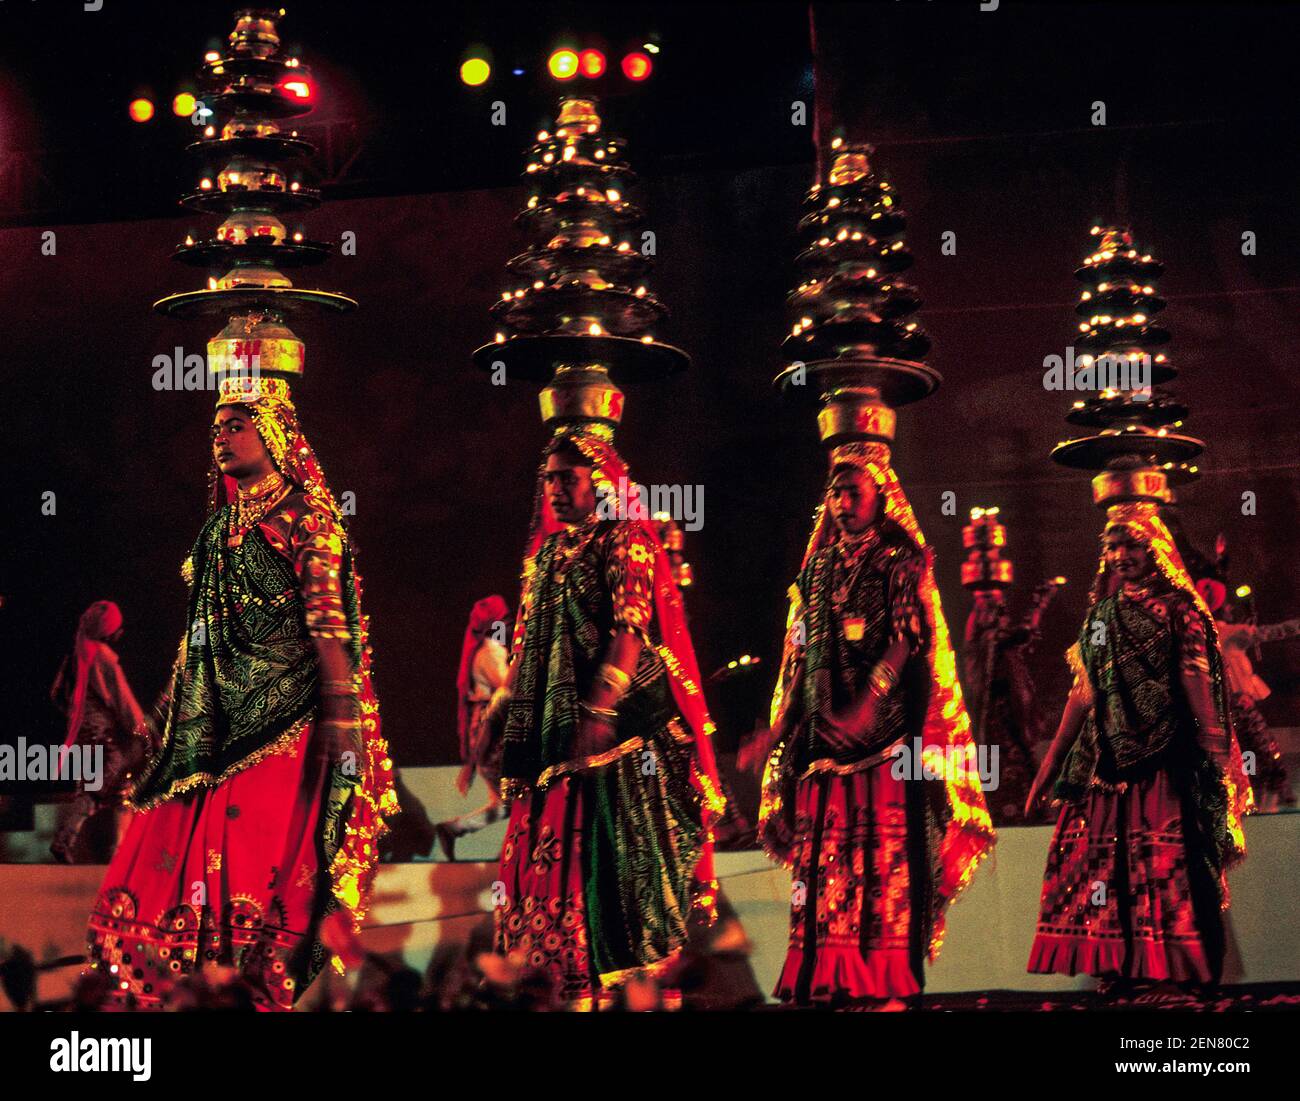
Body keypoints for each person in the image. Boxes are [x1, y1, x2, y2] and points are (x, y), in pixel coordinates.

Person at [83, 375, 396, 1010]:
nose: (221, 438)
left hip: (288, 718)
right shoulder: (216, 532)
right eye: (216, 429)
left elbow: (330, 626)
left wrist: (342, 720)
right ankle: (188, 989)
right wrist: (160, 723)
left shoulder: (308, 519)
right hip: (210, 728)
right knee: (158, 856)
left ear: (275, 435)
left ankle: (249, 988)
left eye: (236, 426)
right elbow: (196, 642)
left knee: (262, 864)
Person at [490, 425, 726, 1010]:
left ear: (600, 481)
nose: (554, 490)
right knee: (544, 856)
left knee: (620, 870)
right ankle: (562, 987)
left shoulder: (625, 541)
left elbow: (630, 630)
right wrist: (499, 716)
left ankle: (640, 990)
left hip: (618, 741)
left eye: (566, 478)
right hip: (551, 744)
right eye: (548, 480)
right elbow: (531, 648)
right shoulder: (546, 554)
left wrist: (600, 707)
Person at [760, 442, 994, 1009]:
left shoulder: (900, 561)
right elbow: (800, 651)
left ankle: (883, 984)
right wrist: (775, 732)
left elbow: (907, 639)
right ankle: (830, 980)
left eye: (853, 493)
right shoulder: (814, 570)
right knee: (825, 872)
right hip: (821, 744)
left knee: (882, 868)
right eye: (835, 493)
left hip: (886, 745)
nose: (842, 503)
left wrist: (868, 701)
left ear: (880, 497)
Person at [1025, 504, 1252, 990]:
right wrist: (1050, 764)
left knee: (1171, 866)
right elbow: (1084, 693)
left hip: (1167, 762)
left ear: (1154, 549)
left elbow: (1196, 682)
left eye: (1131, 544)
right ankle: (1120, 971)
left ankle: (1175, 974)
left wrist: (1217, 756)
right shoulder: (1102, 617)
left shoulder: (1181, 611)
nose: (1120, 555)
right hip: (1105, 765)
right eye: (1112, 547)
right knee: (1106, 869)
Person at [49, 601, 147, 863]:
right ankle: (76, 841)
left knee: (117, 790)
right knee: (102, 789)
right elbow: (123, 701)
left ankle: (115, 850)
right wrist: (143, 731)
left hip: (82, 737)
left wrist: (77, 715)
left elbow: (57, 694)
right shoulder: (102, 656)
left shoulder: (74, 655)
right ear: (108, 631)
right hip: (105, 738)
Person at [963, 580, 1063, 825]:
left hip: (1013, 713)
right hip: (993, 716)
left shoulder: (1002, 639)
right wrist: (1040, 604)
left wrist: (1040, 605)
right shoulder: (983, 633)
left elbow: (1023, 636)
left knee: (1023, 759)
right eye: (996, 608)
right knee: (998, 764)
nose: (1000, 614)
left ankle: (1029, 811)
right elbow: (1019, 635)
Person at [434, 594, 511, 859]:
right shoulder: (492, 652)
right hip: (494, 732)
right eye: (504, 620)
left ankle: (455, 828)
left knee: (505, 803)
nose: (509, 624)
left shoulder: (483, 651)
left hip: (486, 728)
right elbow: (507, 689)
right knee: (522, 797)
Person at [1215, 605, 1298, 811]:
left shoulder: (1210, 633)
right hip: (1238, 702)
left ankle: (1254, 785)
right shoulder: (1229, 633)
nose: (1231, 610)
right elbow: (1269, 633)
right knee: (1261, 744)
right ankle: (1277, 785)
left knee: (1246, 748)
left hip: (1224, 705)